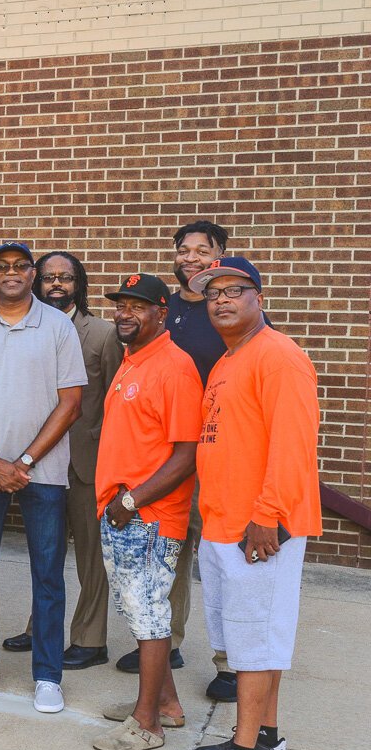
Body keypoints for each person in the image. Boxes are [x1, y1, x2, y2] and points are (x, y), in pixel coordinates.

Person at [187, 257, 320, 750]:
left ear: (257, 297)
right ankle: (267, 740)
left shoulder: (279, 357)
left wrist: (267, 515)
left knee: (255, 639)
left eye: (233, 290)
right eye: (212, 292)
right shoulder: (227, 360)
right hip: (224, 522)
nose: (220, 299)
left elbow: (293, 446)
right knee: (248, 636)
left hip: (258, 528)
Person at [0, 242, 85, 714]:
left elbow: (70, 402)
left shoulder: (58, 326)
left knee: (47, 572)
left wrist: (23, 462)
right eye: (2, 267)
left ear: (32, 274)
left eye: (20, 267)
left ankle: (48, 675)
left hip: (43, 472)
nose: (11, 274)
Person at [89, 274, 201, 750]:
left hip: (147, 515)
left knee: (149, 616)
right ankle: (167, 706)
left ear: (162, 312)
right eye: (120, 305)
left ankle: (146, 722)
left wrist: (130, 501)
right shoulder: (136, 359)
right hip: (122, 510)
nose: (125, 314)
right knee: (138, 612)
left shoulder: (174, 367)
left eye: (138, 306)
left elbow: (186, 454)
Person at [2, 252, 122, 669]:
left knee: (91, 555)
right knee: (45, 553)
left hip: (87, 464)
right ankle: (41, 628)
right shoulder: (28, 329)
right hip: (40, 463)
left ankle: (90, 640)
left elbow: (114, 404)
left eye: (65, 278)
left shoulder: (103, 334)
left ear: (79, 283)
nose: (56, 284)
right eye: (49, 277)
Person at [133, 220, 236, 701]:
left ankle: (230, 663)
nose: (190, 258)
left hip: (217, 455)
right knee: (168, 554)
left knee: (217, 559)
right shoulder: (163, 309)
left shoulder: (227, 310)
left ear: (219, 256)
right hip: (169, 457)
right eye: (183, 251)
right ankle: (167, 643)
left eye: (202, 250)